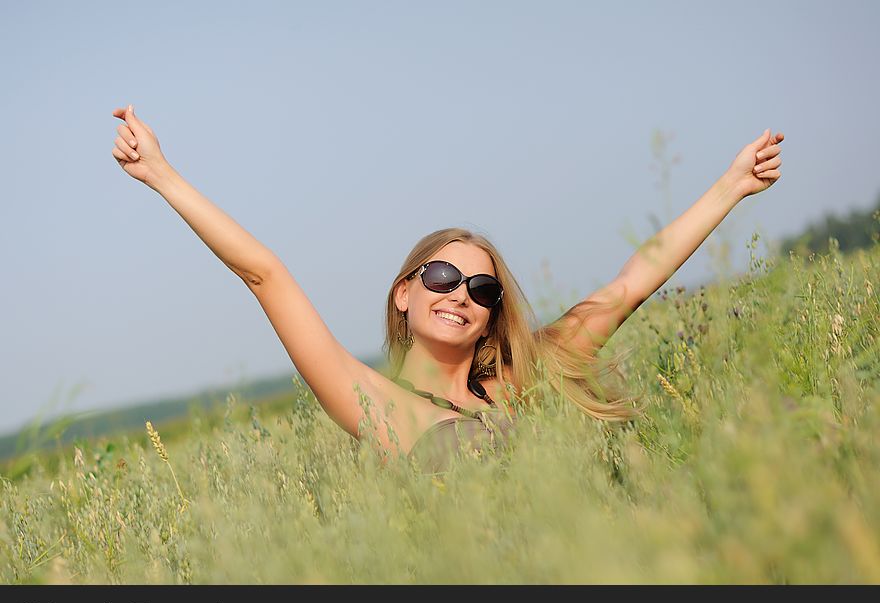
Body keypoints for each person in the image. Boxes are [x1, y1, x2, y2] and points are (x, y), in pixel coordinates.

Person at [111, 104, 784, 471]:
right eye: (442, 276)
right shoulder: (373, 404)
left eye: (483, 289)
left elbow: (629, 286)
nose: (461, 293)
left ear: (493, 316)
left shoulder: (522, 379)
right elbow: (266, 274)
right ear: (404, 291)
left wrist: (732, 186)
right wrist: (164, 177)